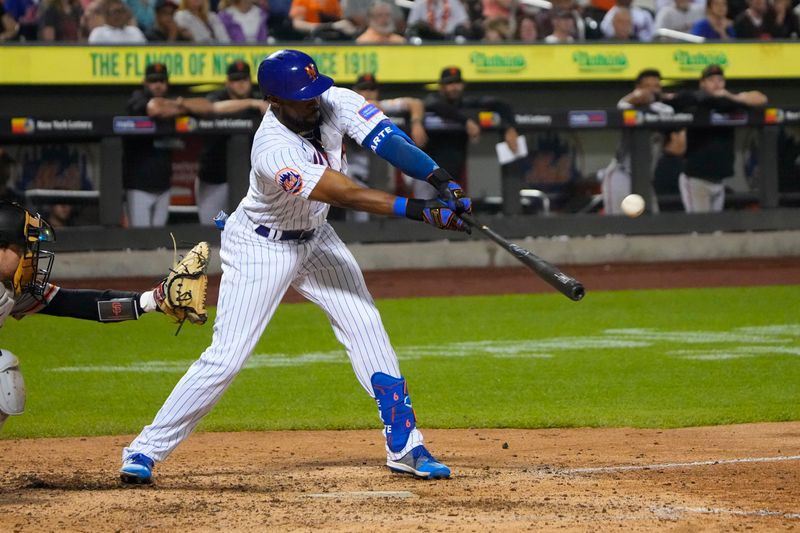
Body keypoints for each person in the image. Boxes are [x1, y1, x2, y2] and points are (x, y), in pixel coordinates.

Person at [118, 49, 473, 485]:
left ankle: (406, 445)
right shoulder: (272, 148)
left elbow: (387, 139)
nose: (313, 101)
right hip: (260, 246)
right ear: (275, 100)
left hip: (317, 238)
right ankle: (145, 449)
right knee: (226, 358)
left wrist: (441, 179)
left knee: (367, 327)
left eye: (313, 90)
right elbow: (343, 192)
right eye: (301, 96)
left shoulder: (333, 99)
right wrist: (420, 210)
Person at [0, 201, 209, 430]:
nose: (29, 257)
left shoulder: (12, 289)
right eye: (22, 249)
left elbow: (78, 304)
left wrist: (152, 300)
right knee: (3, 369)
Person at [666, 64, 767, 212]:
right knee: (700, 228)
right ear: (702, 83)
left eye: (720, 79)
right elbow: (669, 98)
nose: (716, 83)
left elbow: (761, 99)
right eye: (711, 79)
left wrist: (730, 96)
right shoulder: (694, 99)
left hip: (719, 180)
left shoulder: (731, 101)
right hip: (695, 179)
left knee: (715, 231)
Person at [421, 66, 519, 198]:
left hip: (455, 173)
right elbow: (433, 104)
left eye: (457, 83)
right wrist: (466, 121)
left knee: (455, 211)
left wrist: (509, 128)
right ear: (441, 86)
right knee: (427, 211)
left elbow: (502, 104)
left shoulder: (466, 104)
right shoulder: (433, 101)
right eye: (449, 84)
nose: (454, 87)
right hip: (427, 173)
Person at [345, 72, 428, 219]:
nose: (368, 92)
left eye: (372, 89)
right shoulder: (346, 109)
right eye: (364, 89)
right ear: (355, 91)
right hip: (355, 168)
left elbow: (415, 103)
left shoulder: (380, 106)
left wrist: (416, 123)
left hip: (379, 169)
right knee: (359, 212)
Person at [197, 60, 268, 225]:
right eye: (236, 80)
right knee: (214, 227)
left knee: (247, 229)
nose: (241, 84)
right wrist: (252, 103)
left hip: (249, 180)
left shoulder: (261, 97)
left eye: (244, 79)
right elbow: (211, 108)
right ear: (228, 82)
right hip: (215, 177)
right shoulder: (218, 97)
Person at [602, 68, 673, 215]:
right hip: (621, 174)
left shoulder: (665, 109)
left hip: (645, 179)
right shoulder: (628, 106)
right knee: (616, 225)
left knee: (652, 223)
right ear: (638, 88)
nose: (652, 90)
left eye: (656, 86)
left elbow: (666, 113)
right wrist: (635, 97)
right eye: (648, 86)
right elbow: (621, 106)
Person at [405, 0, 470, 40]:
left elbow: (464, 22)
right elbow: (412, 25)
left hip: (449, 39)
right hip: (427, 39)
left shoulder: (452, 1)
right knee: (419, 26)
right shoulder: (420, 2)